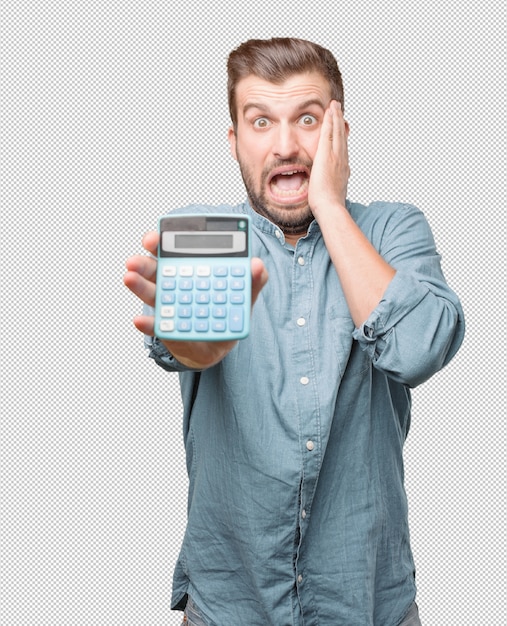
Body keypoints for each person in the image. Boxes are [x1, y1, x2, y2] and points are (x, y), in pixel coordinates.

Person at [124, 37, 464, 626]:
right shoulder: (209, 238)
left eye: (307, 119)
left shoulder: (391, 229)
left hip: (366, 604)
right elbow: (185, 350)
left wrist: (330, 206)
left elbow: (418, 349)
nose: (285, 145)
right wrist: (195, 346)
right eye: (261, 122)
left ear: (339, 134)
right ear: (234, 141)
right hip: (231, 605)